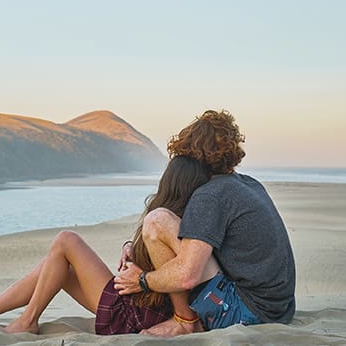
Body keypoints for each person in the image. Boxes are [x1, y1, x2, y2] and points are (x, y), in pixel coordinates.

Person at [0, 155, 218, 335]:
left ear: (170, 183)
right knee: (56, 267)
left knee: (66, 240)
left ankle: (27, 320)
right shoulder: (178, 220)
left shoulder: (182, 223)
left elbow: (184, 273)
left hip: (136, 314)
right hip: (136, 307)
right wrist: (132, 247)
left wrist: (142, 276)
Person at [115, 109, 296, 337]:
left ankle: (184, 321)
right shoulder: (248, 184)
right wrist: (135, 247)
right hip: (280, 310)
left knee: (157, 221)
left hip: (248, 314)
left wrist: (142, 281)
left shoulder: (210, 195)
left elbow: (187, 276)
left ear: (189, 152)